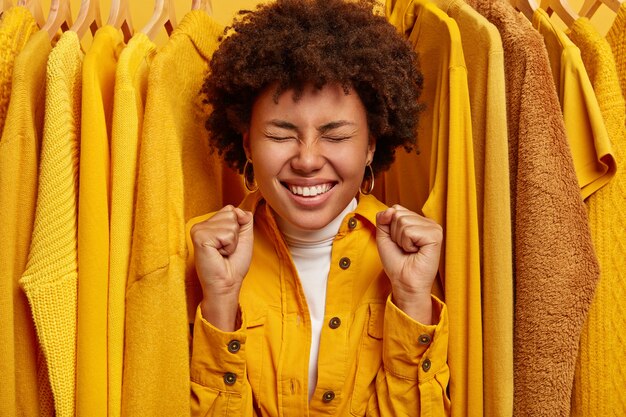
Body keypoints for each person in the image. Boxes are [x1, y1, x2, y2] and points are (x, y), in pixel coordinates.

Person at [187, 0, 451, 415]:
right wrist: (219, 301)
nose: (307, 160)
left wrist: (413, 298)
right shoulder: (199, 257)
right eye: (280, 134)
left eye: (335, 135)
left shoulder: (419, 258)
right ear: (246, 145)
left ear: (370, 147)